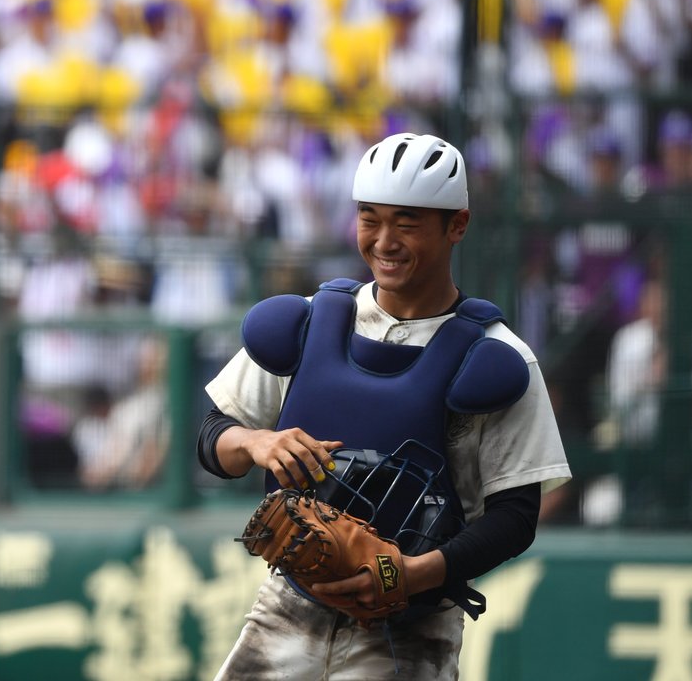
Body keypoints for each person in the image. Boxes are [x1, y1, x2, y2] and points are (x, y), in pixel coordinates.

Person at [197, 132, 571, 678]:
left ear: (457, 226)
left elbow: (515, 518)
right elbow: (212, 436)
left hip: (411, 630)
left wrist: (404, 575)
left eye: (408, 222)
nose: (384, 240)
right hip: (288, 607)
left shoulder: (498, 356)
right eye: (369, 218)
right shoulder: (310, 321)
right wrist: (255, 442)